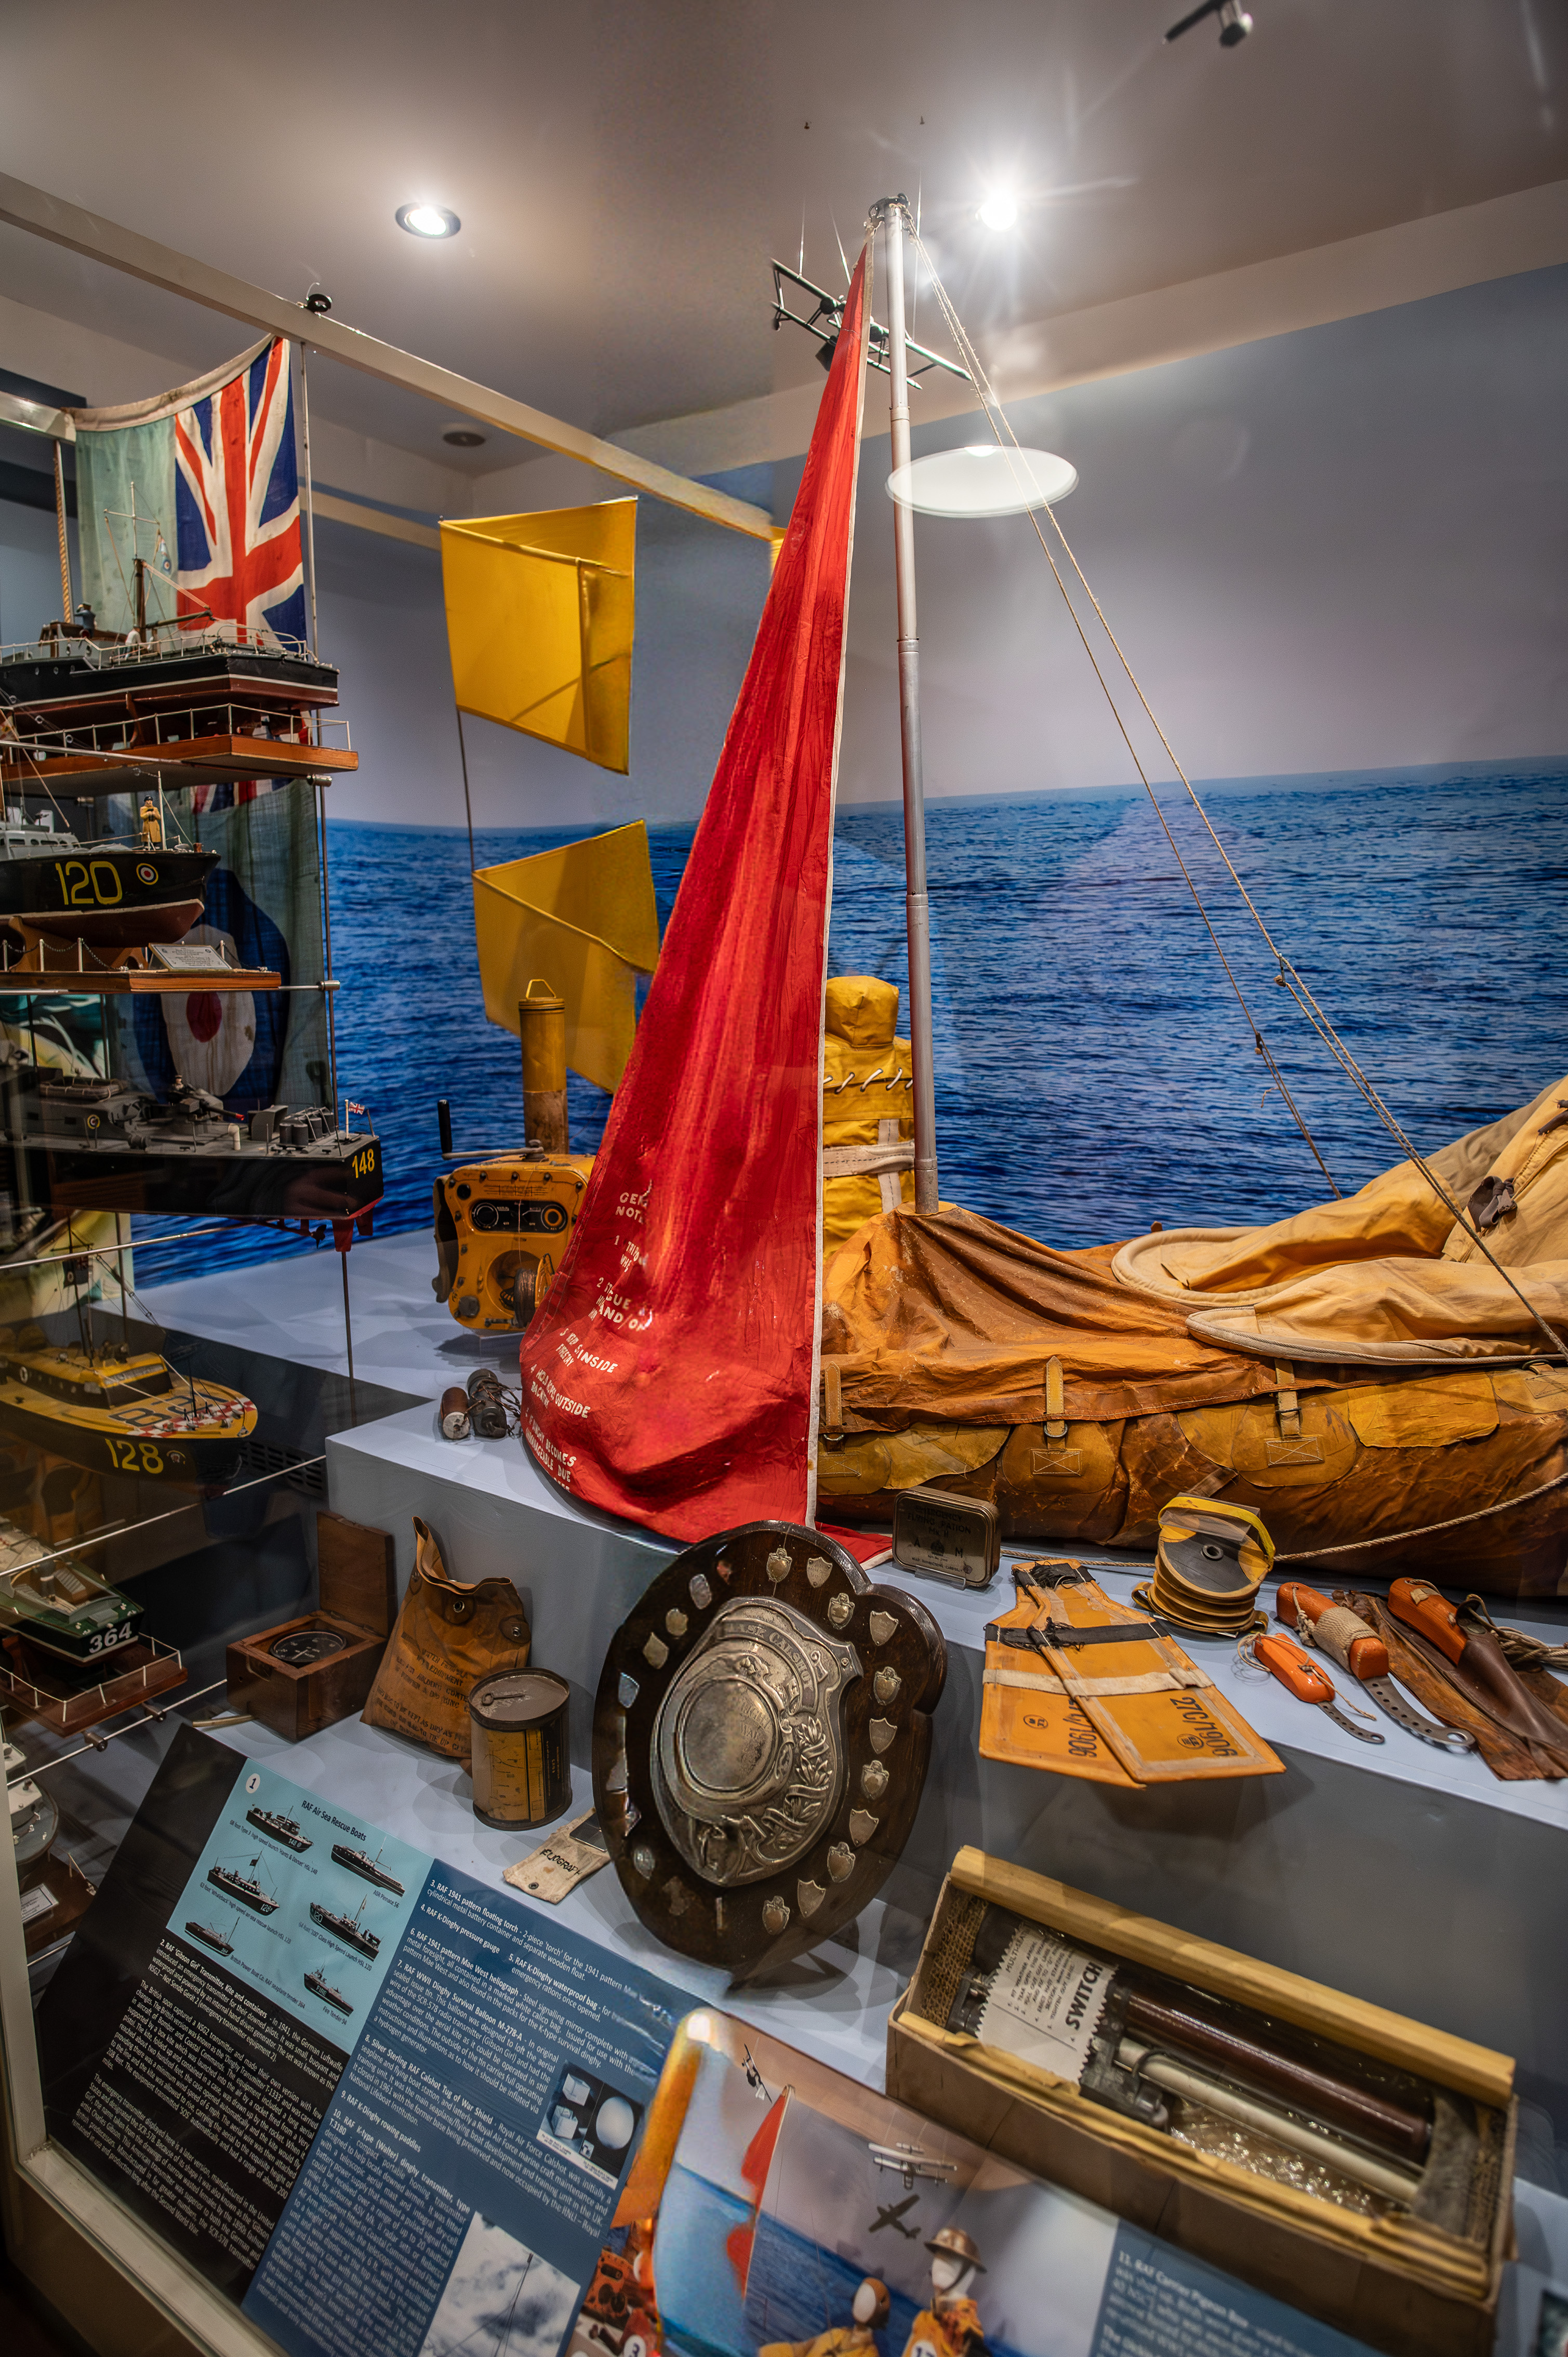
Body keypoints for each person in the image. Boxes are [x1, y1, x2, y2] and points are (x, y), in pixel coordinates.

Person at [899, 2227, 987, 2357]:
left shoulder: (966, 2332)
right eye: (940, 2256)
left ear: (968, 2273)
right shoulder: (924, 2320)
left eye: (951, 2259)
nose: (941, 2262)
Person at [760, 2276, 892, 2357]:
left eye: (868, 2300)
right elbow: (800, 2350)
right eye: (861, 2296)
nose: (862, 2302)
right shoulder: (836, 2334)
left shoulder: (869, 2355)